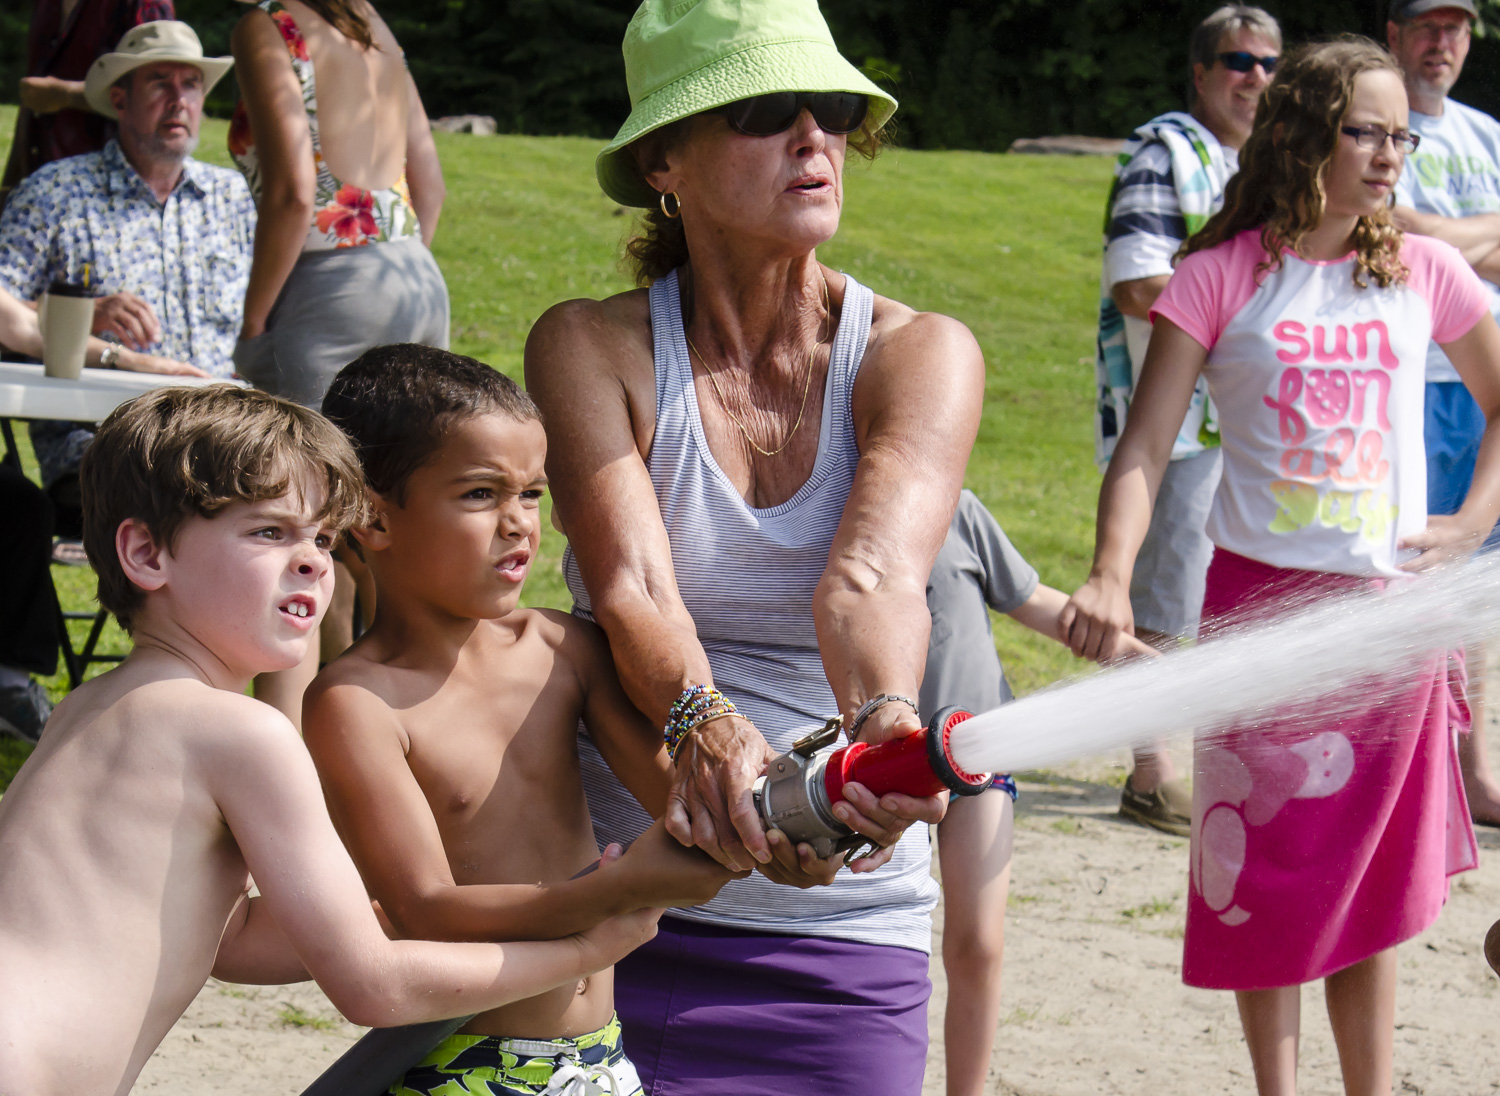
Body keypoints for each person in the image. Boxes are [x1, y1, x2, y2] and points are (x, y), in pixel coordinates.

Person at [525, 2, 976, 1091]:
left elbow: (869, 583)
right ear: (663, 160)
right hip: (619, 905)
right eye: (767, 110)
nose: (814, 135)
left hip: (844, 937)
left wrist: (886, 724)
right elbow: (635, 587)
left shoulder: (921, 351)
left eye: (829, 108)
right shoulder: (590, 344)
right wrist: (705, 720)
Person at [0, 384, 661, 1096]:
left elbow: (229, 938)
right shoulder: (238, 732)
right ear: (147, 553)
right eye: (268, 532)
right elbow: (373, 987)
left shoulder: (89, 710)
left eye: (320, 537)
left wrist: (403, 908)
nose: (315, 561)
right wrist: (588, 944)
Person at [1062, 38, 1492, 1094]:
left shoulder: (1424, 271)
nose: (1391, 155)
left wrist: (1469, 524)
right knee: (1269, 877)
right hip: (1259, 618)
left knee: (1369, 887)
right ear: (1305, 135)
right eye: (1366, 132)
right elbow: (1147, 447)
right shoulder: (1219, 277)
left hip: (1388, 621)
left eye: (1401, 135)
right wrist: (1112, 571)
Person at [304, 345, 740, 1096]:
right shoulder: (355, 704)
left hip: (604, 1060)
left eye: (532, 496)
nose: (518, 525)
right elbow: (424, 908)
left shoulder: (562, 649)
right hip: (462, 1067)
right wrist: (611, 895)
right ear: (373, 518)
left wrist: (783, 808)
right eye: (480, 494)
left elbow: (683, 797)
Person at [0, 19, 243, 738]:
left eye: (192, 84)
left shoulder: (232, 199)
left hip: (228, 437)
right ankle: (176, 700)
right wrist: (88, 329)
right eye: (160, 84)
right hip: (103, 443)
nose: (180, 99)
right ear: (119, 99)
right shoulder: (58, 191)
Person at [228, 0, 450, 725]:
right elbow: (431, 185)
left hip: (325, 287)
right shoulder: (373, 26)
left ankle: (289, 749)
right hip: (413, 278)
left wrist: (256, 316)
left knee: (303, 525)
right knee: (389, 525)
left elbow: (294, 190)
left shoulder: (266, 26)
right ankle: (400, 730)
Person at [1095, 4, 1280, 836]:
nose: (1257, 79)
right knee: (1165, 593)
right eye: (1239, 62)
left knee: (1224, 596)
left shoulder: (1274, 165)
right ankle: (1148, 769)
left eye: (1272, 64)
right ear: (1201, 73)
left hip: (1247, 417)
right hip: (1179, 417)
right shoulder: (1162, 151)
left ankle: (1208, 760)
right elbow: (1136, 280)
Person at [925, 490, 1154, 1096]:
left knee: (978, 944)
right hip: (874, 768)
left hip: (979, 754)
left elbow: (1036, 604)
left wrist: (1127, 655)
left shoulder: (957, 508)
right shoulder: (822, 516)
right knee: (886, 939)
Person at [1386, 0, 1500, 828]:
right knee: (1409, 574)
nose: (1443, 44)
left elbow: (1426, 235)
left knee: (1478, 574)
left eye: (1457, 28)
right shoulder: (1378, 122)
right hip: (1409, 378)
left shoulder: (1486, 133)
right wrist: (1474, 238)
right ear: (1395, 33)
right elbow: (1391, 230)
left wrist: (1439, 234)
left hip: (1482, 376)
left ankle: (1474, 765)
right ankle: (1410, 760)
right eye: (1428, 26)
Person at [2, 0, 173, 204]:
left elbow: (162, 96)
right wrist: (10, 189)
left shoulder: (144, 3)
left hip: (113, 200)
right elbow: (34, 97)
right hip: (41, 196)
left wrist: (68, 95)